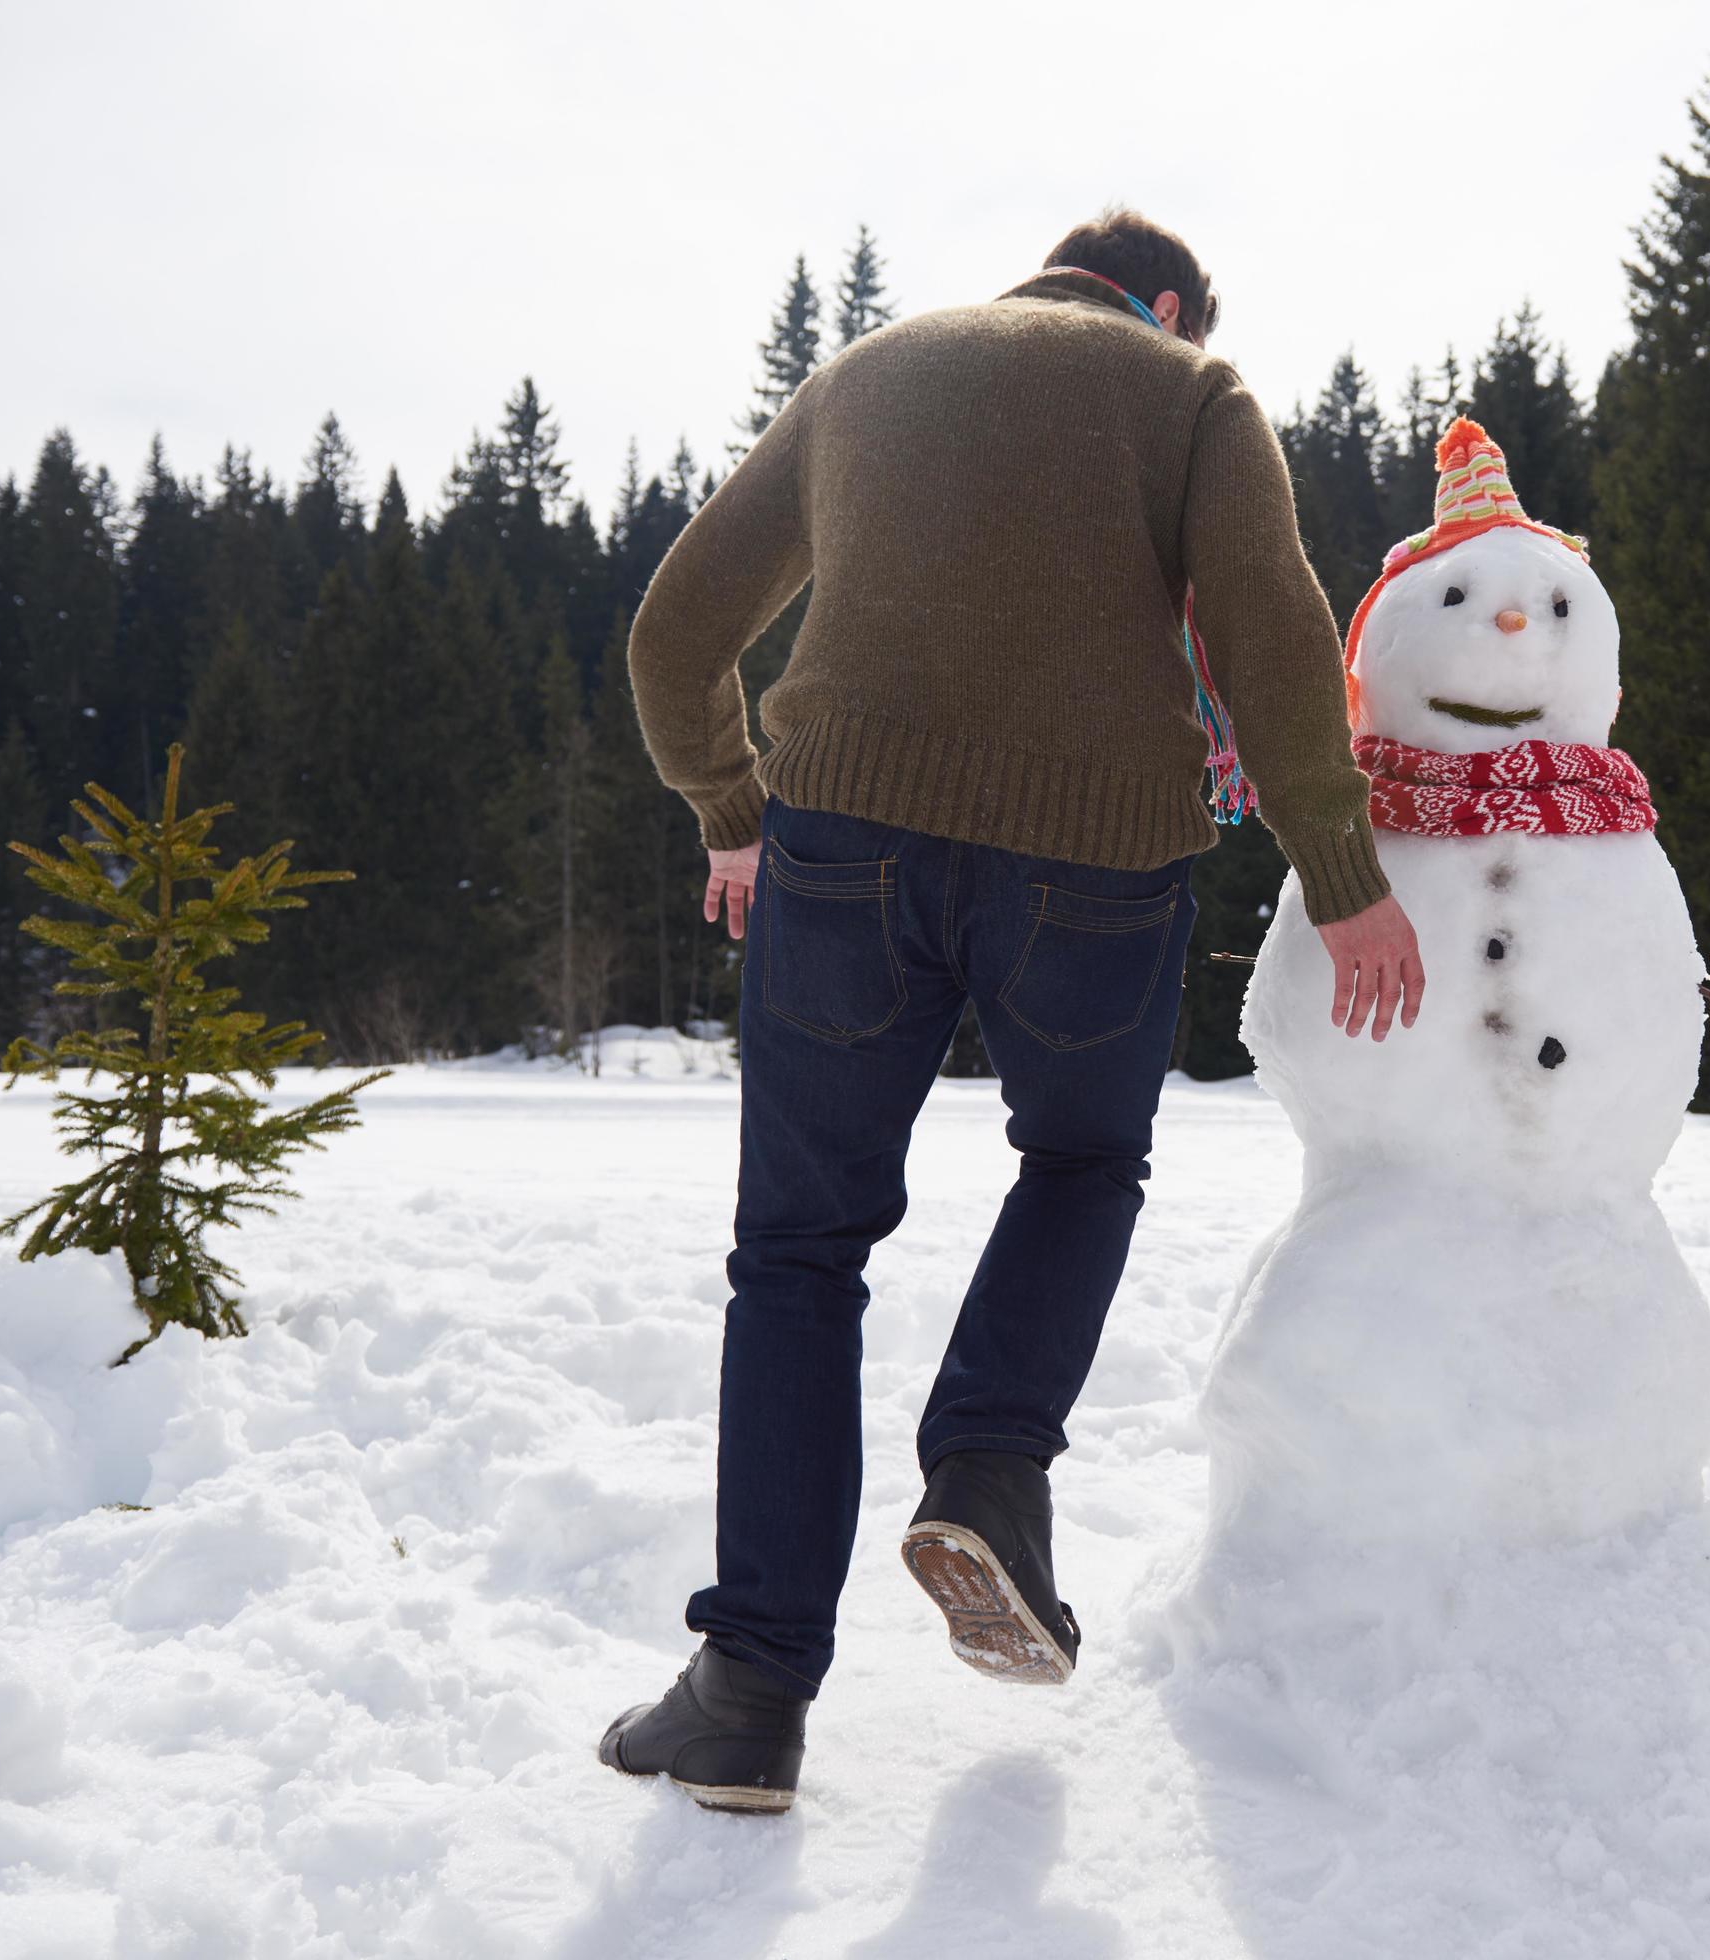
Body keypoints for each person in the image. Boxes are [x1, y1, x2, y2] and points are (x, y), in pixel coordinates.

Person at [597, 208, 1425, 1813]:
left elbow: (676, 629)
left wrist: (728, 809)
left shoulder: (872, 370)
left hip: (842, 845)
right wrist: (1341, 876)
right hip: (1097, 861)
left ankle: (751, 1692)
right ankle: (985, 1462)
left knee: (797, 1258)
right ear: (1168, 303)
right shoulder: (1193, 393)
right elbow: (1270, 629)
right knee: (1078, 1164)